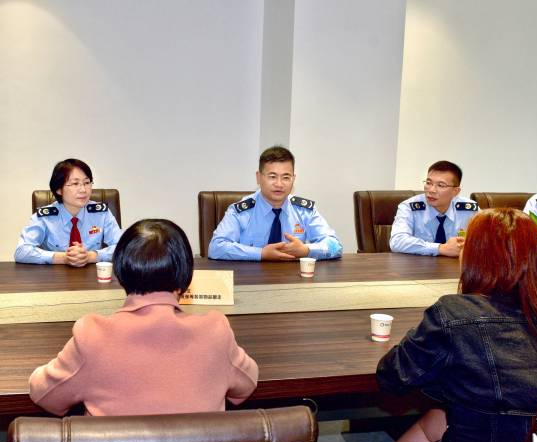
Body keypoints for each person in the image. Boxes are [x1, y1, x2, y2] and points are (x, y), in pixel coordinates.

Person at [376, 208, 537, 442]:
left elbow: (392, 379)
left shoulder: (452, 314)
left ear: (476, 256)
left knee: (448, 415)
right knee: (439, 417)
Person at [29, 219, 259, 416]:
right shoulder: (216, 331)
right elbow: (247, 384)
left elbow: (44, 394)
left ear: (119, 272)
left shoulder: (92, 335)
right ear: (186, 276)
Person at [208, 146, 343, 261]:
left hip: (292, 279)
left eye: (286, 177)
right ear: (258, 177)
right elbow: (216, 248)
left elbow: (335, 246)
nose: (279, 184)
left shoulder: (304, 211)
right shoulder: (241, 211)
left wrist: (306, 250)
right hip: (250, 279)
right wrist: (261, 253)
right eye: (272, 177)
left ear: (293, 179)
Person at [14, 158, 122, 266]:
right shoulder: (45, 217)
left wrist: (90, 256)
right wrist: (64, 258)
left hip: (93, 274)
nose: (83, 190)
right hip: (55, 275)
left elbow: (122, 247)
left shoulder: (101, 213)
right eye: (75, 183)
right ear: (59, 189)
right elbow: (21, 251)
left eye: (87, 182)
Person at [390, 160, 478, 257]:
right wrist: (440, 248)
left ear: (455, 191)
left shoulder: (470, 210)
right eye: (428, 183)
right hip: (417, 265)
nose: (431, 190)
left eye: (440, 185)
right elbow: (397, 241)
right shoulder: (409, 207)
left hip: (456, 265)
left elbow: (488, 240)